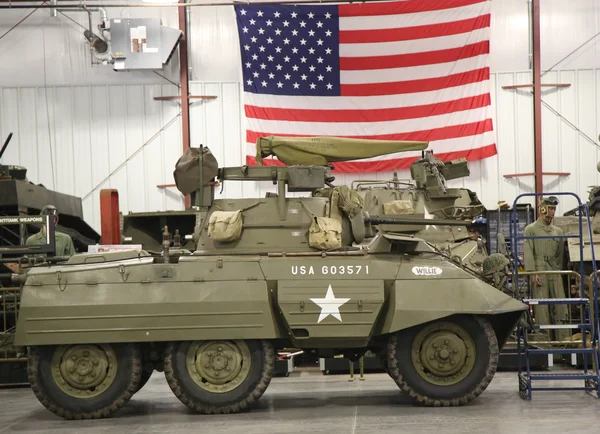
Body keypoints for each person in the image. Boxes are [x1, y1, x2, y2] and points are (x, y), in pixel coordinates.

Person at [523, 196, 569, 341]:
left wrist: (559, 271)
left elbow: (560, 253)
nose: (552, 212)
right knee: (541, 308)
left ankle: (564, 343)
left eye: (554, 209)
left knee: (561, 306)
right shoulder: (530, 229)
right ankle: (545, 344)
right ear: (542, 209)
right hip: (539, 270)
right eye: (550, 208)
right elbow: (528, 251)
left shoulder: (558, 231)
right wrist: (532, 272)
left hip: (554, 270)